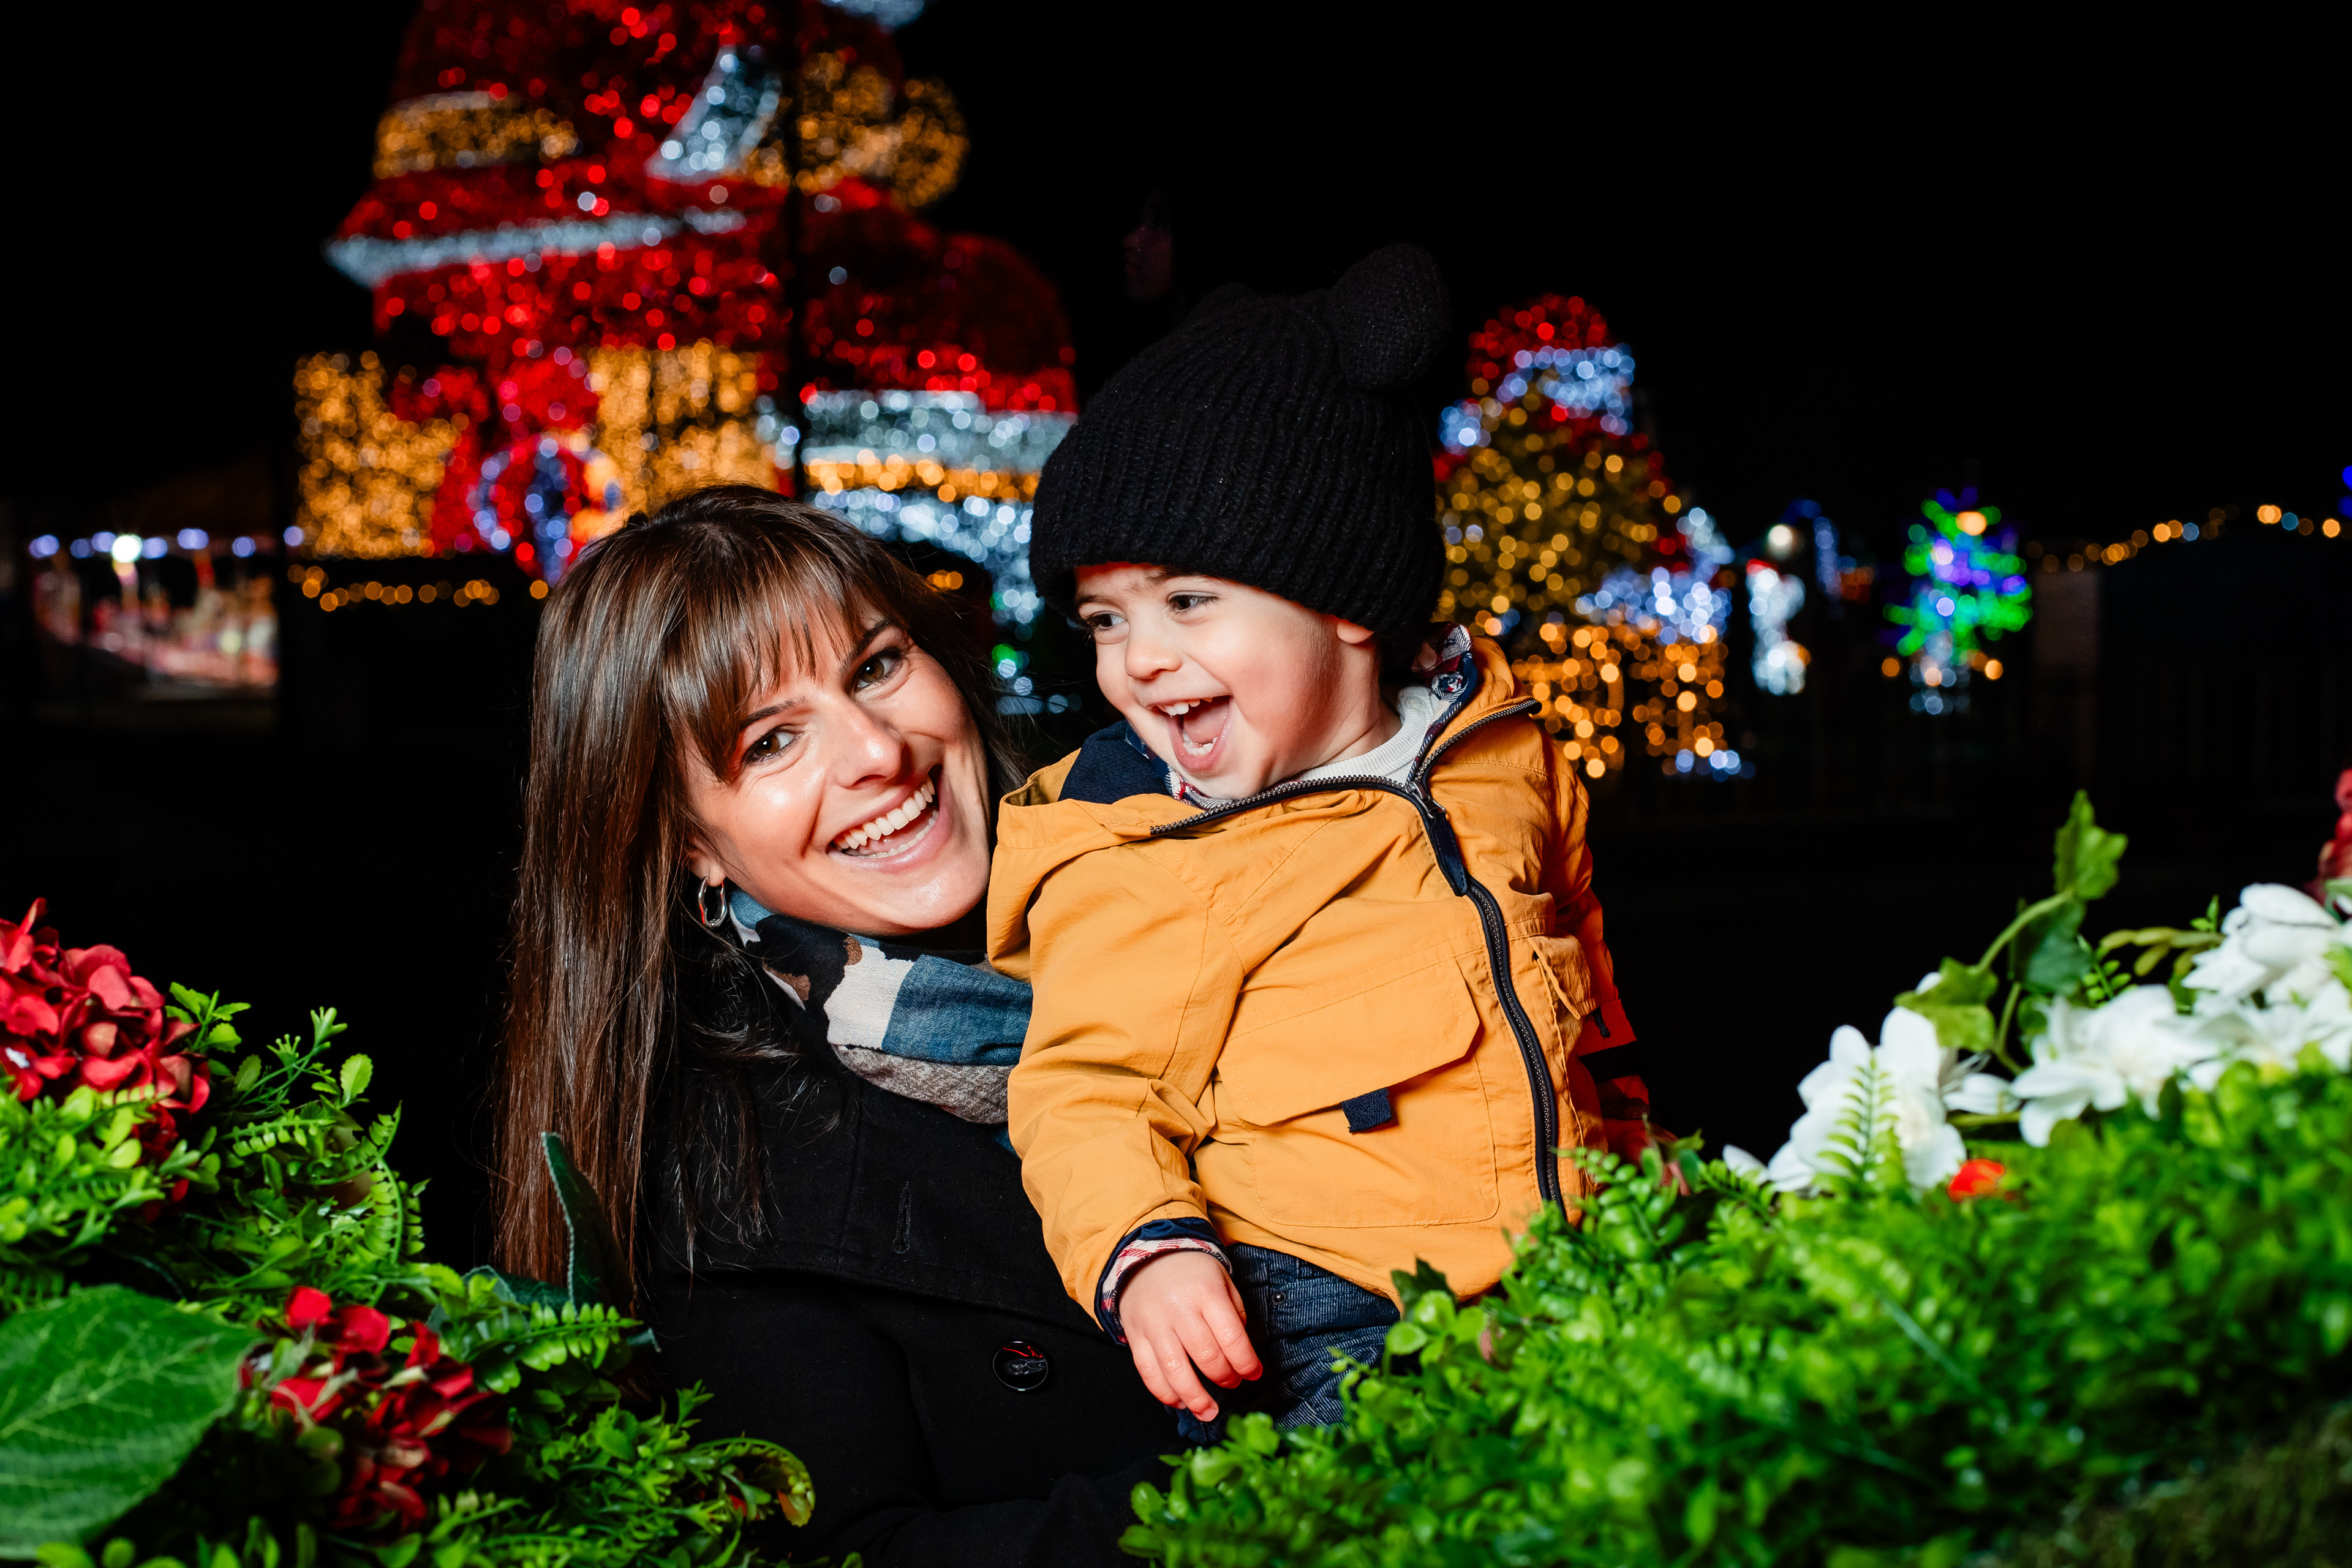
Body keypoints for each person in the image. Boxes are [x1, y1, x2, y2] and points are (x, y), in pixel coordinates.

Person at [987, 245, 1649, 1444]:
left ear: (1347, 600)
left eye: (1188, 601)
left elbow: (1585, 989)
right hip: (1331, 1315)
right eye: (1105, 619)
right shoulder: (1149, 845)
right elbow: (1089, 1087)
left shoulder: (1500, 751)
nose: (1140, 658)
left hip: (1569, 1266)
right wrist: (1149, 1250)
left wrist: (1638, 1156)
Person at [492, 486, 1172, 1567]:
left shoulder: (1186, 885)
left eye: (876, 668)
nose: (876, 752)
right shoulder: (727, 1188)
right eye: (770, 742)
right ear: (686, 842)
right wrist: (1303, 1488)